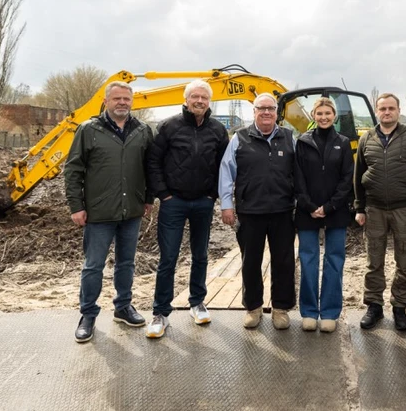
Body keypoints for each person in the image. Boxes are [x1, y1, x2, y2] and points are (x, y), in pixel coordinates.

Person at [64, 81, 154, 343]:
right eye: (117, 99)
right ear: (106, 102)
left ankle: (123, 307)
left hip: (132, 211)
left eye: (127, 99)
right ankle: (88, 314)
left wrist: (148, 198)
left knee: (127, 263)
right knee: (93, 266)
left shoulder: (143, 131)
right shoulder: (89, 130)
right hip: (98, 212)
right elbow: (73, 170)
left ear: (132, 101)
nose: (122, 103)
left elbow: (150, 168)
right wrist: (76, 206)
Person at [144, 79, 229, 338]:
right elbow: (153, 162)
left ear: (209, 102)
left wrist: (213, 194)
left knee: (200, 255)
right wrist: (164, 195)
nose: (199, 101)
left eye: (204, 97)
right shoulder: (169, 127)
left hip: (203, 202)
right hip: (174, 203)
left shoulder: (217, 130)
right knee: (168, 258)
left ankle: (197, 302)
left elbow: (224, 166)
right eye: (195, 97)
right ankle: (160, 312)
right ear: (186, 99)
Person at [218, 93, 296, 330]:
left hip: (283, 211)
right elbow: (226, 172)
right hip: (250, 212)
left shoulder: (289, 138)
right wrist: (227, 205)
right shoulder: (239, 138)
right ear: (253, 112)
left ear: (276, 112)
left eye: (270, 108)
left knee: (283, 262)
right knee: (250, 261)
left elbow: (300, 172)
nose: (266, 112)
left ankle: (280, 309)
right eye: (261, 108)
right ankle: (253, 308)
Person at [354, 92, 406, 331]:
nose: (387, 112)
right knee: (373, 261)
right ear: (377, 111)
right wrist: (359, 207)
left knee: (404, 262)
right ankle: (374, 306)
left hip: (405, 210)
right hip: (374, 210)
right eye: (382, 109)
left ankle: (399, 307)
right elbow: (358, 177)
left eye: (391, 108)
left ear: (398, 111)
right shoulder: (367, 138)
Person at [294, 97, 354, 333]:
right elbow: (297, 178)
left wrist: (328, 207)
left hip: (336, 211)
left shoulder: (343, 142)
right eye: (319, 113)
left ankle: (329, 312)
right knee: (308, 260)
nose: (324, 117)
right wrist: (309, 206)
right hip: (307, 211)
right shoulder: (303, 142)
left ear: (334, 116)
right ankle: (309, 312)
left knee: (334, 260)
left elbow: (346, 179)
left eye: (328, 113)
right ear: (313, 115)